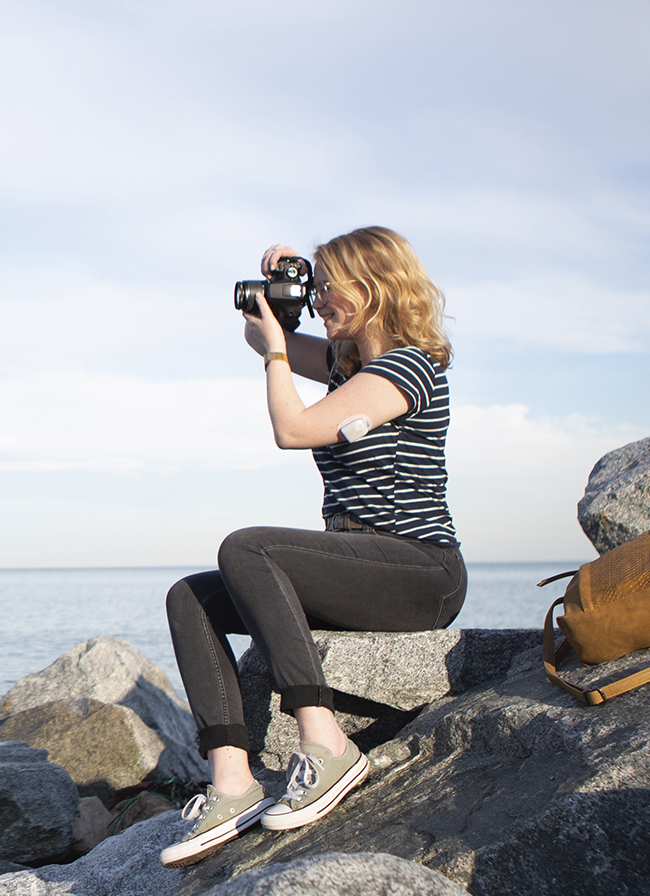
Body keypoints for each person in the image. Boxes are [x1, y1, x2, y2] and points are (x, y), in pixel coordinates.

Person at [158, 226, 466, 868]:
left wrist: (278, 351)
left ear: (374, 287)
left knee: (247, 549)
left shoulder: (408, 366)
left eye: (330, 288)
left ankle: (326, 745)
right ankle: (232, 783)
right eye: (317, 288)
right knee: (191, 597)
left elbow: (293, 429)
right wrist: (287, 294)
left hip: (418, 570)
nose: (321, 299)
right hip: (355, 566)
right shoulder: (344, 366)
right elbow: (261, 338)